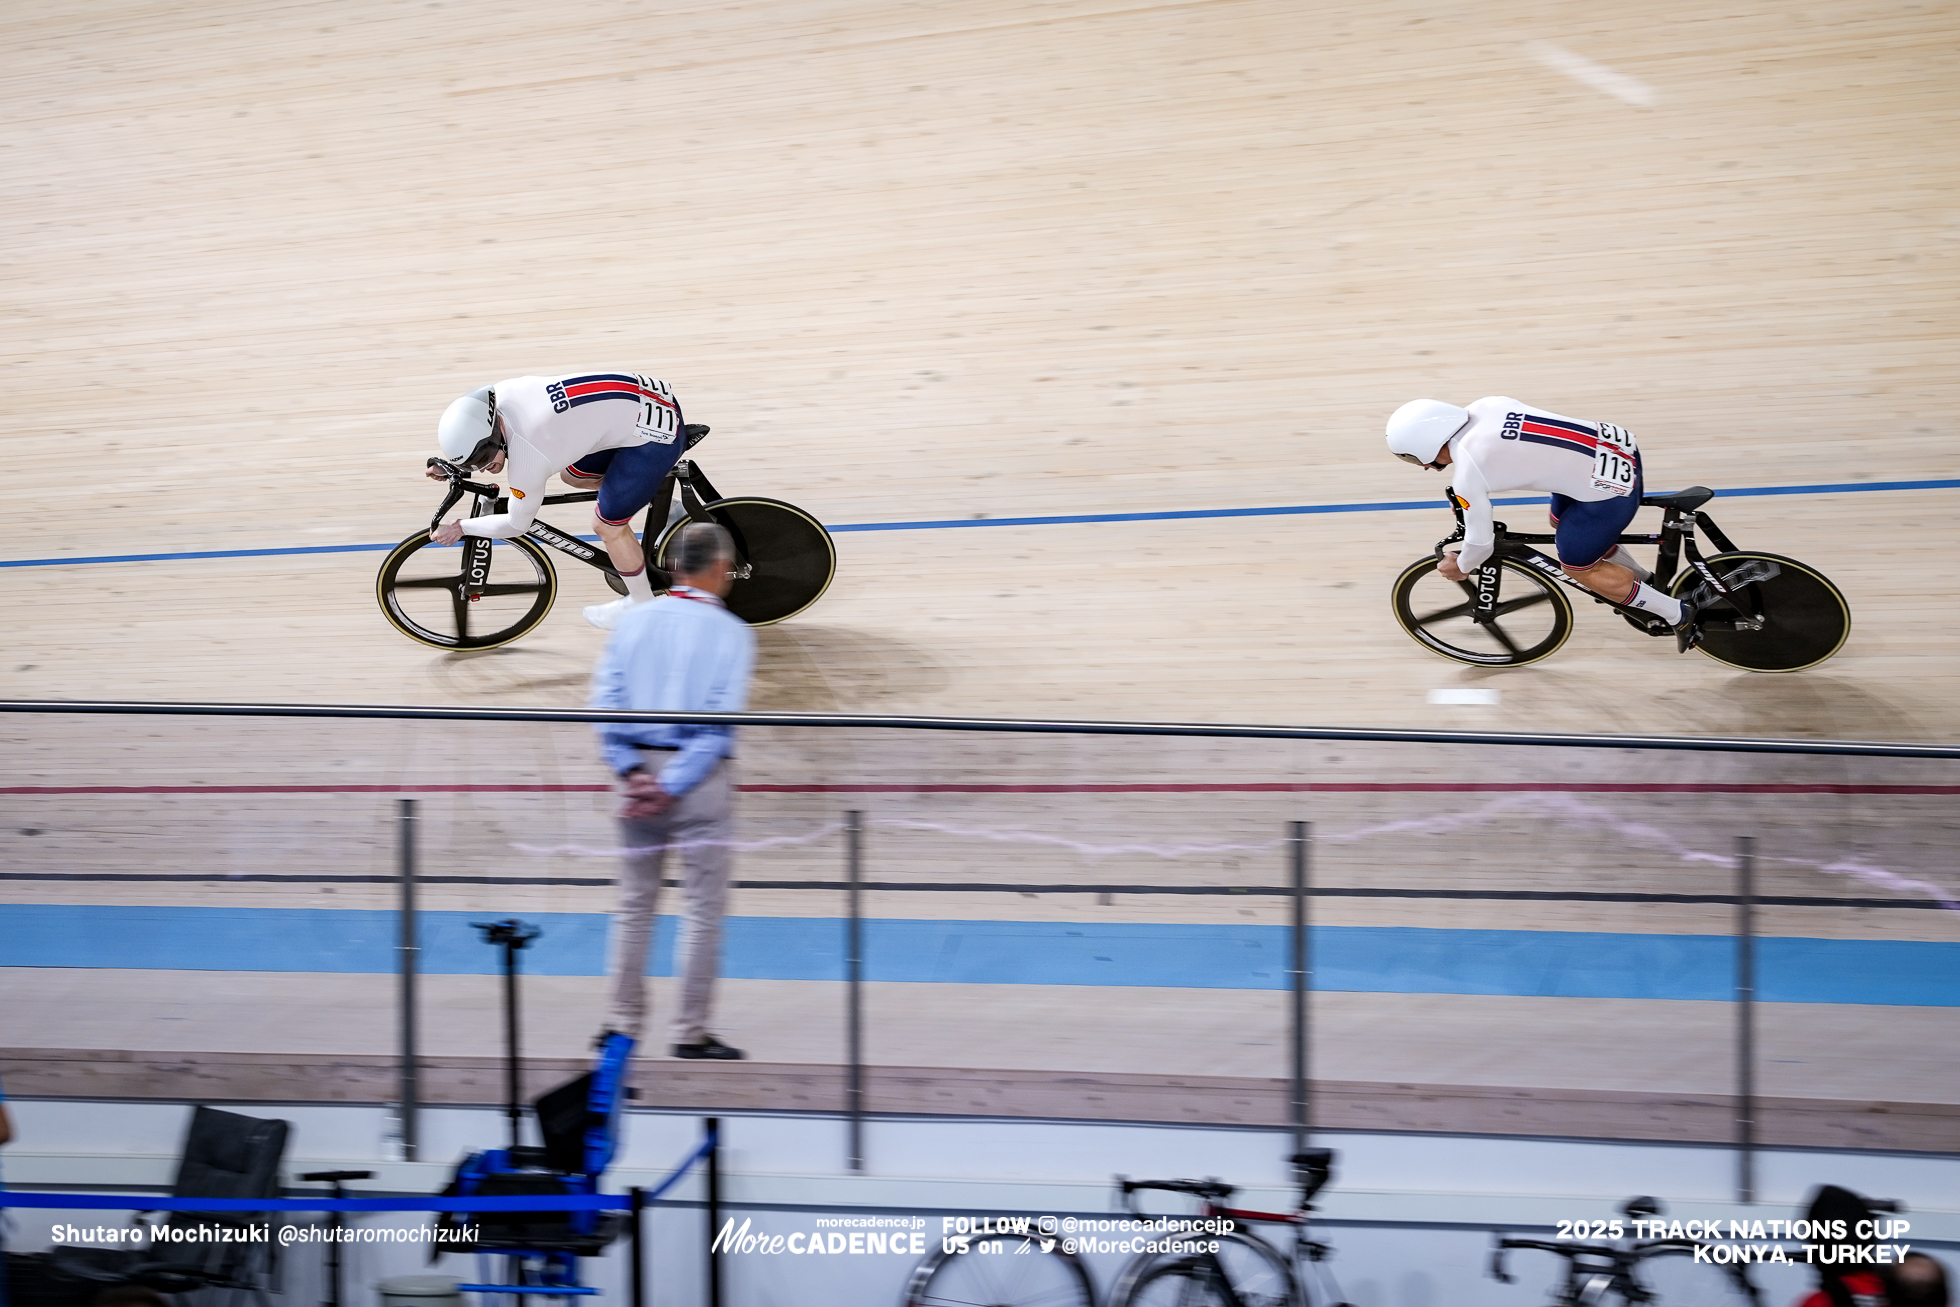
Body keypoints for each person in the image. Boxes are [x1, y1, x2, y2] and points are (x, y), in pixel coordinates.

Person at [591, 522, 756, 1059]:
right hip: (698, 785)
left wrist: (634, 774)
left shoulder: (634, 622)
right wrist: (675, 784)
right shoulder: (732, 632)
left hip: (636, 780)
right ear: (716, 568)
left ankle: (621, 1024)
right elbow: (717, 726)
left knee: (634, 908)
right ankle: (690, 1032)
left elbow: (605, 704)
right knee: (702, 913)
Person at [1385, 397, 1701, 651]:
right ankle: (1642, 581)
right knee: (1560, 523)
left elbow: (1481, 544)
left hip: (1606, 490)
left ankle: (1677, 614)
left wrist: (1462, 567)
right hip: (1617, 447)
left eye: (1414, 458)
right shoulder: (1486, 405)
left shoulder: (1469, 470)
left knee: (1578, 566)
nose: (1423, 467)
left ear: (1427, 442)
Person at [426, 371, 691, 629]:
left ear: (494, 436)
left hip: (654, 437)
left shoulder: (530, 453)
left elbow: (517, 524)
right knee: (573, 475)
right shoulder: (500, 398)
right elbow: (476, 435)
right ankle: (666, 508)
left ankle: (642, 605)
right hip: (642, 398)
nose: (482, 469)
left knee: (606, 526)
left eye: (482, 460)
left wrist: (461, 527)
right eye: (475, 464)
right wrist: (458, 466)